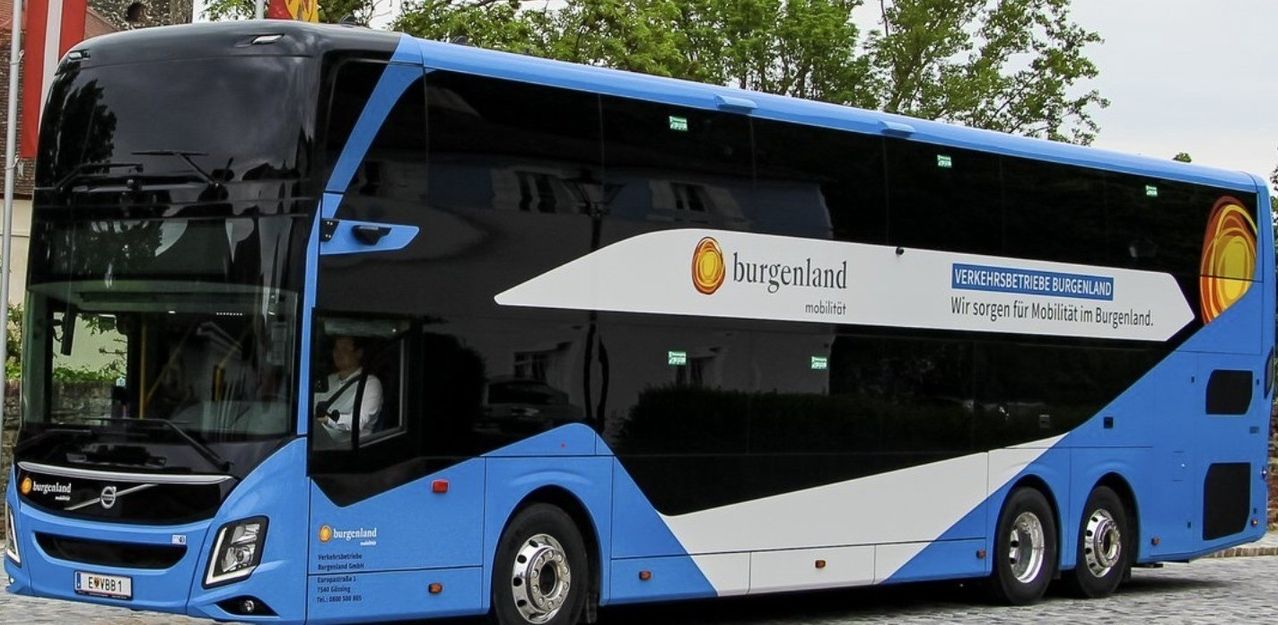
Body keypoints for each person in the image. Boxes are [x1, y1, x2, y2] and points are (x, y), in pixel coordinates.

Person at [314, 336, 382, 442]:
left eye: (344, 349)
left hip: (348, 449)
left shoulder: (370, 383)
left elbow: (358, 421)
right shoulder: (328, 380)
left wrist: (328, 420)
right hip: (317, 442)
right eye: (336, 349)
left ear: (358, 353)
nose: (338, 353)